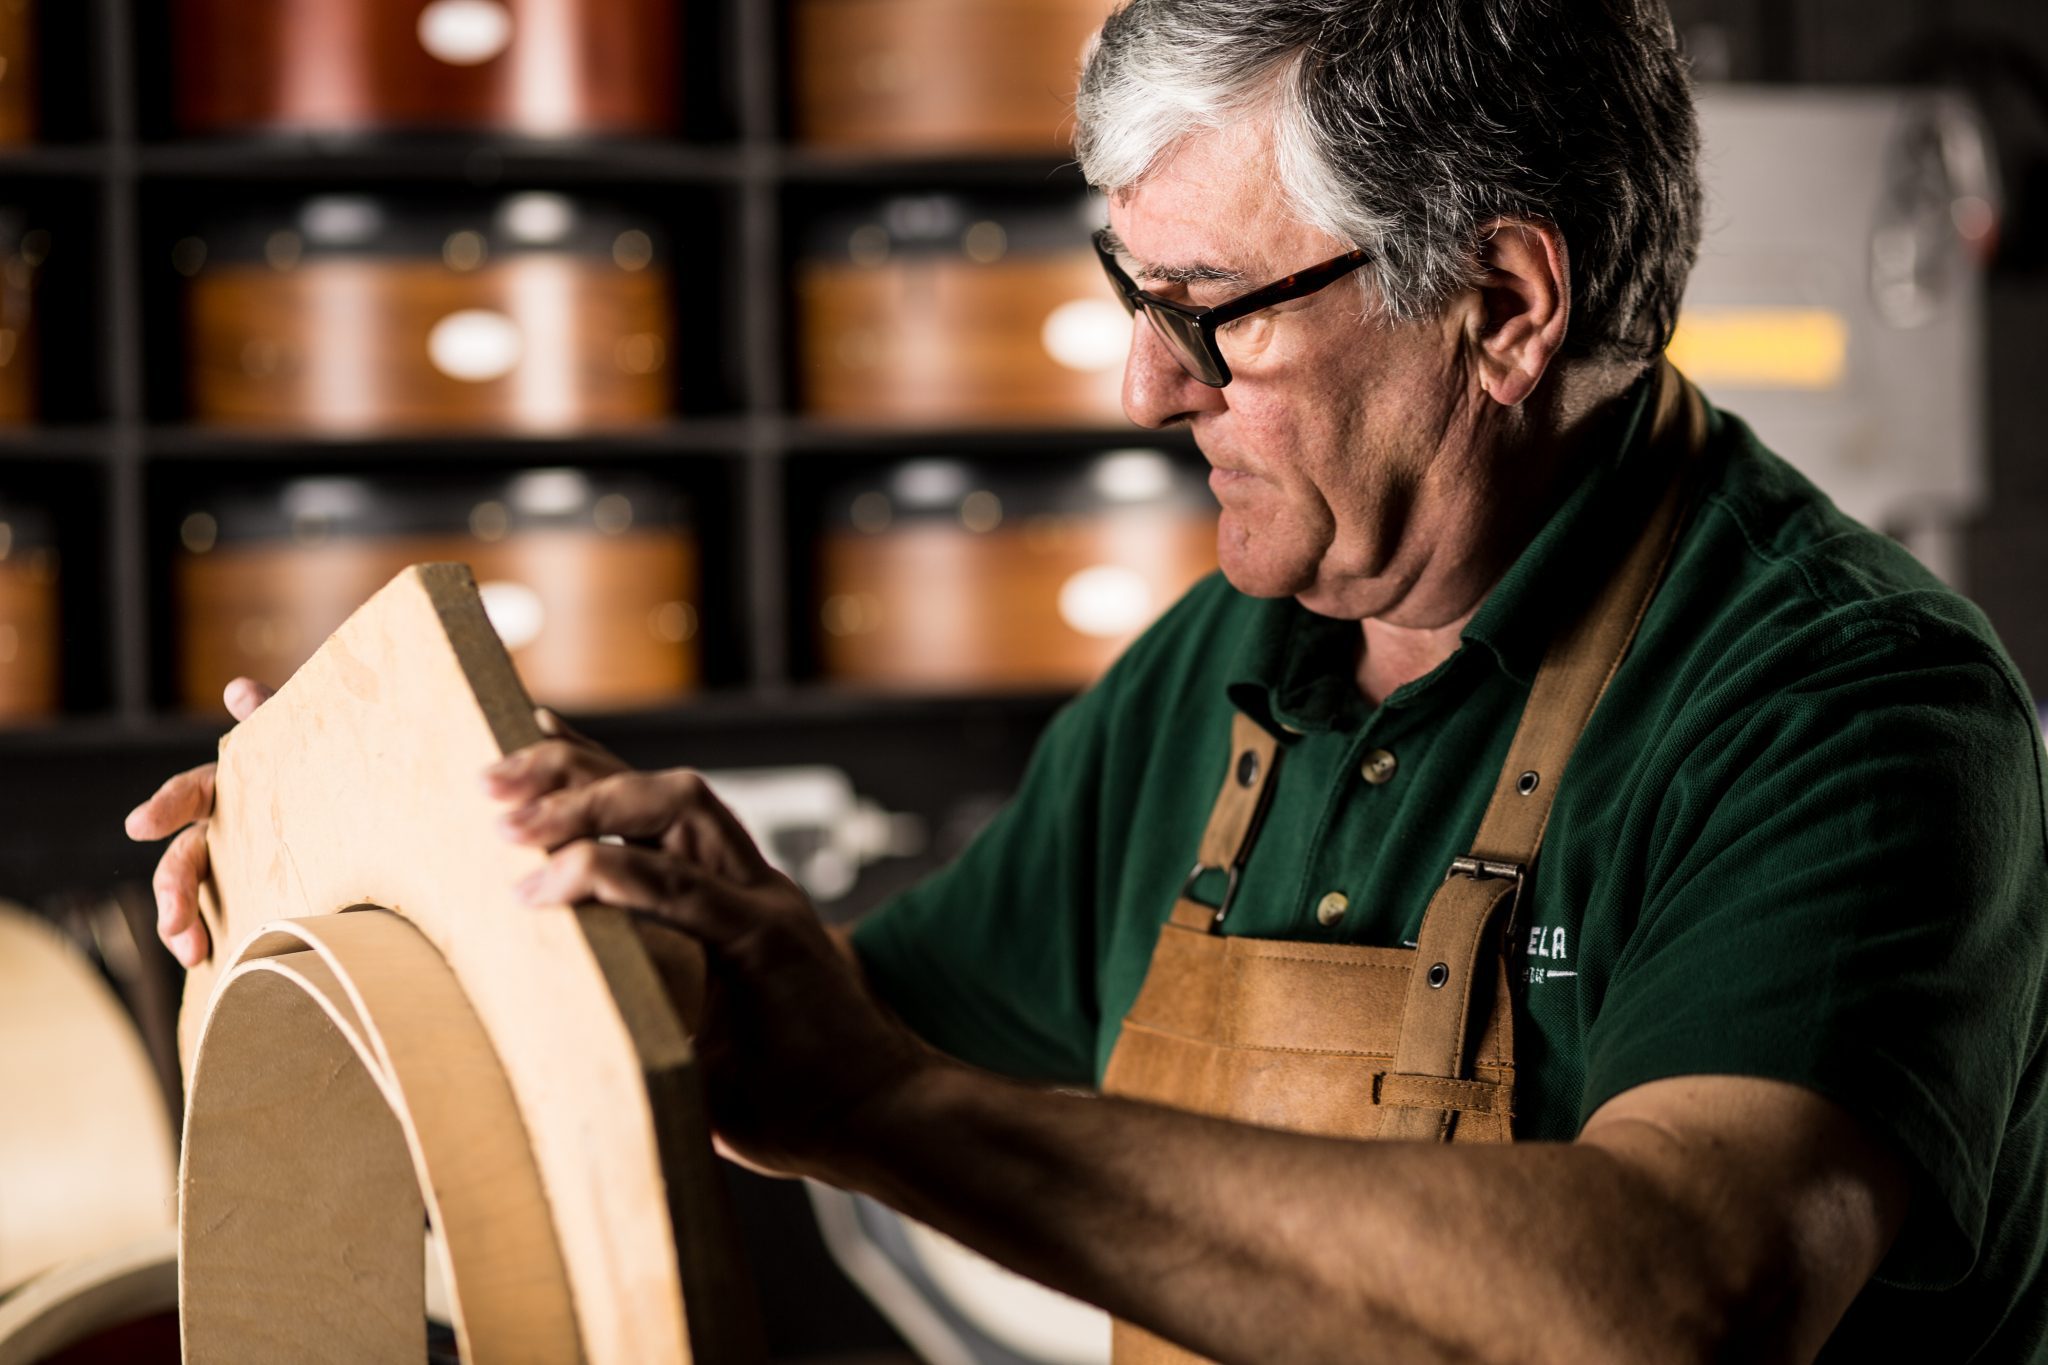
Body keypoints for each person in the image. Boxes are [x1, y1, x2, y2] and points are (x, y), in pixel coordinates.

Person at [129, 2, 2048, 1361]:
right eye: (1136, 298)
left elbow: (1670, 1306)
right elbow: (802, 1043)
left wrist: (882, 1104)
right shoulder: (1228, 671)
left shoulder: (1846, 708)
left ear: (1506, 306)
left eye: (1215, 311)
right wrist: (473, 874)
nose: (1146, 385)